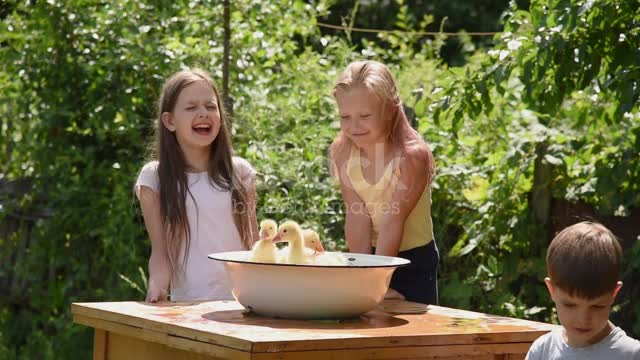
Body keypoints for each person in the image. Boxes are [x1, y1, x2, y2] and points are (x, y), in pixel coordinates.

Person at [135, 68, 258, 302]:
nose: (203, 113)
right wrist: (156, 287)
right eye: (191, 107)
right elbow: (160, 255)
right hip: (189, 310)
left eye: (211, 106)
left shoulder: (240, 172)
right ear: (170, 121)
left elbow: (252, 244)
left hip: (244, 307)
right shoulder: (154, 178)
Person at [329, 60, 438, 304]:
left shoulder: (411, 156)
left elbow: (392, 219)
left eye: (365, 116)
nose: (354, 126)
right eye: (345, 116)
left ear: (389, 109)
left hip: (412, 262)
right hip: (369, 257)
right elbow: (357, 217)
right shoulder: (343, 152)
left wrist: (377, 286)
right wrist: (362, 278)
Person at [526, 222, 640, 359]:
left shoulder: (631, 354)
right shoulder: (542, 351)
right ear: (551, 290)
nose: (583, 319)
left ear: (614, 293)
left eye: (597, 306)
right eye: (570, 305)